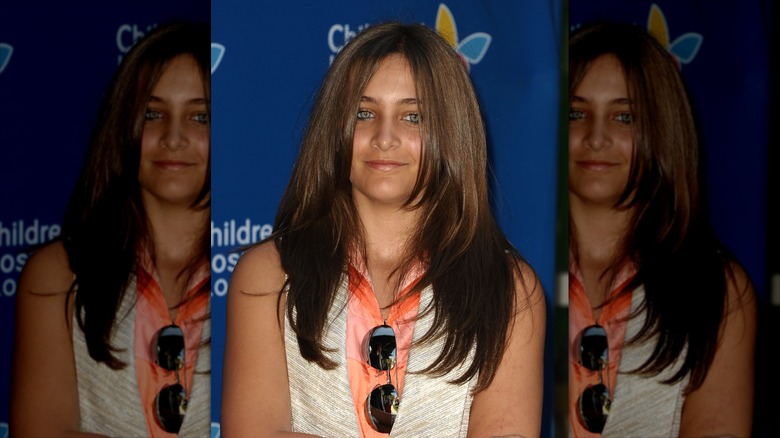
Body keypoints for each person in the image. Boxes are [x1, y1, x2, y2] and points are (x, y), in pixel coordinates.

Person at [221, 22, 545, 437]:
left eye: (413, 117)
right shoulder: (267, 276)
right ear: (333, 128)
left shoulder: (511, 292)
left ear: (452, 132)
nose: (385, 137)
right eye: (364, 113)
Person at [9, 22, 211, 437]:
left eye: (200, 117)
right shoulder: (58, 276)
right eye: (153, 114)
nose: (174, 137)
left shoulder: (261, 279)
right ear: (124, 125)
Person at [567, 21, 756, 437]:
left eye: (624, 117)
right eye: (577, 113)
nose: (596, 137)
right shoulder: (512, 281)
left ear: (662, 129)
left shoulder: (719, 290)